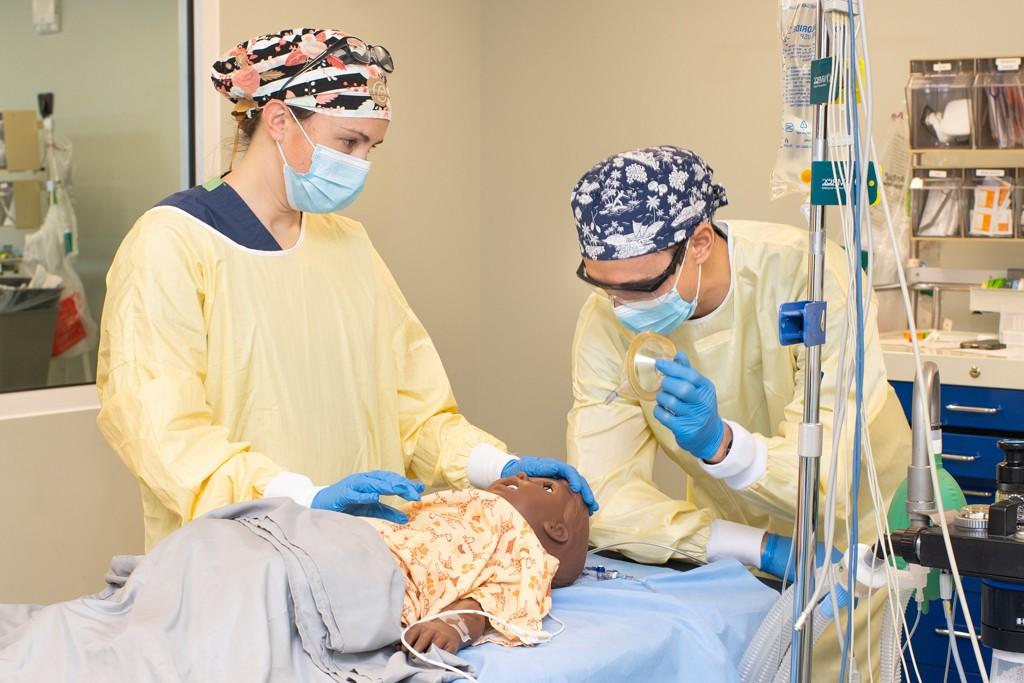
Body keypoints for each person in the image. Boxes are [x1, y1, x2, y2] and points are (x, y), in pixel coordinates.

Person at [96, 28, 595, 551]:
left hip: (366, 561)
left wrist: (498, 464)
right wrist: (303, 498)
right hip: (236, 564)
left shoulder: (347, 244)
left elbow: (416, 412)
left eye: (371, 147)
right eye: (348, 142)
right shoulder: (171, 241)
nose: (360, 164)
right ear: (280, 120)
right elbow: (161, 433)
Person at [565, 145, 910, 678]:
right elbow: (602, 498)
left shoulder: (811, 277)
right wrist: (752, 546)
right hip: (731, 541)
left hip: (857, 530)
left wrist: (724, 447)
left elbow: (824, 477)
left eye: (639, 288)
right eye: (603, 286)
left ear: (699, 242)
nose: (619, 308)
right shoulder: (606, 320)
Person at [0, 474, 589, 681]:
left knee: (220, 613)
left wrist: (457, 624)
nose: (523, 476)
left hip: (361, 574)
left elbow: (505, 600)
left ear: (557, 534)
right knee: (201, 565)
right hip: (317, 541)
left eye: (546, 487)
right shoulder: (456, 500)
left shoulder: (515, 543)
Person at [369, 471, 590, 654]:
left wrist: (451, 627)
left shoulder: (520, 554)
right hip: (363, 536)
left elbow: (482, 607)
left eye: (547, 487)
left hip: (380, 575)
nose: (522, 474)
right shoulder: (464, 507)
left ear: (555, 530)